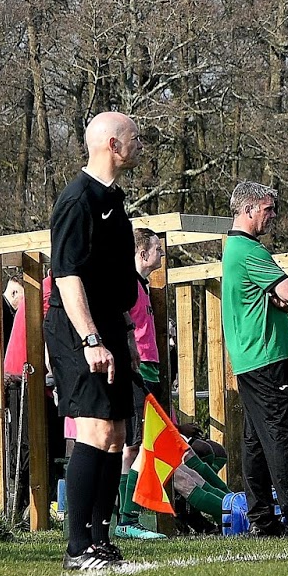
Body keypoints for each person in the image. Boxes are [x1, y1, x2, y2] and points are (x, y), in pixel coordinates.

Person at [44, 111, 144, 570]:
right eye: (133, 137)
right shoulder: (77, 199)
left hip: (109, 325)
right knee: (94, 430)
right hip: (78, 328)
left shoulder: (114, 200)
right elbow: (66, 277)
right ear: (112, 144)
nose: (139, 144)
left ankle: (102, 539)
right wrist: (89, 338)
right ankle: (76, 547)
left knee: (117, 434)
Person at [221, 180, 288, 540]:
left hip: (249, 358)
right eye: (268, 209)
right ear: (248, 210)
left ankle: (262, 519)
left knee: (255, 441)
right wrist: (280, 294)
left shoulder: (233, 249)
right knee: (281, 438)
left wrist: (273, 297)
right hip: (267, 357)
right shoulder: (250, 250)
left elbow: (271, 296)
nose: (273, 216)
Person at [115, 228, 169, 540]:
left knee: (141, 444)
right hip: (137, 371)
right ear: (142, 253)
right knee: (133, 444)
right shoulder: (128, 285)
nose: (161, 255)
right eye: (157, 250)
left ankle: (128, 515)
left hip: (150, 371)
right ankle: (126, 518)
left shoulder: (143, 287)